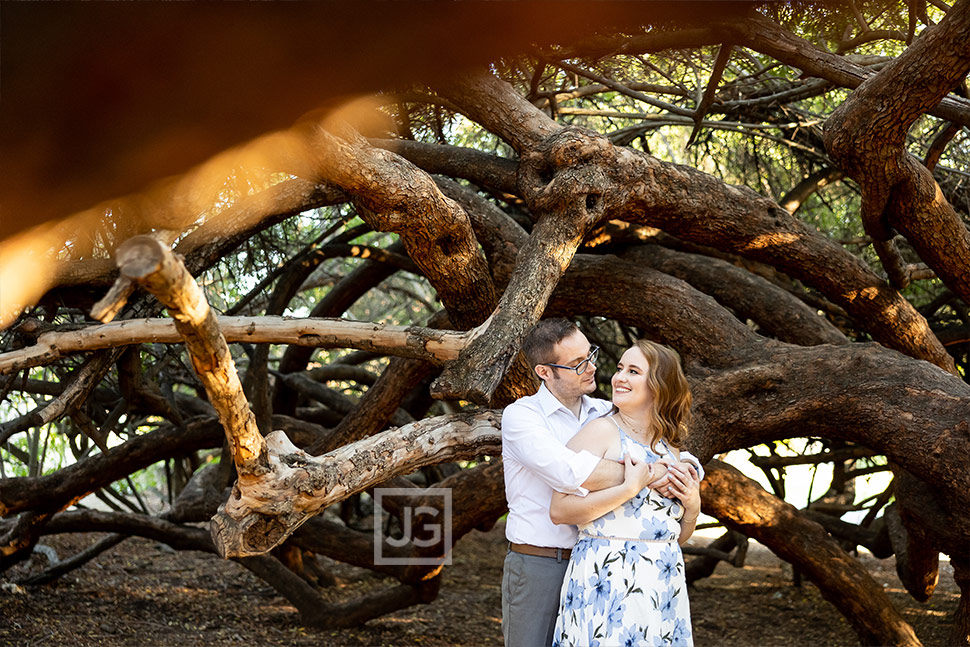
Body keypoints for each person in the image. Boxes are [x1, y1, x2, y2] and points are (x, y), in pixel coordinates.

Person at [501, 320, 703, 647]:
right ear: (544, 371)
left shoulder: (602, 410)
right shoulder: (523, 417)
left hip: (613, 566)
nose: (592, 367)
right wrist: (650, 474)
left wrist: (688, 483)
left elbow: (659, 444)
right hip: (541, 562)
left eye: (590, 355)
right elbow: (572, 472)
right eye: (576, 363)